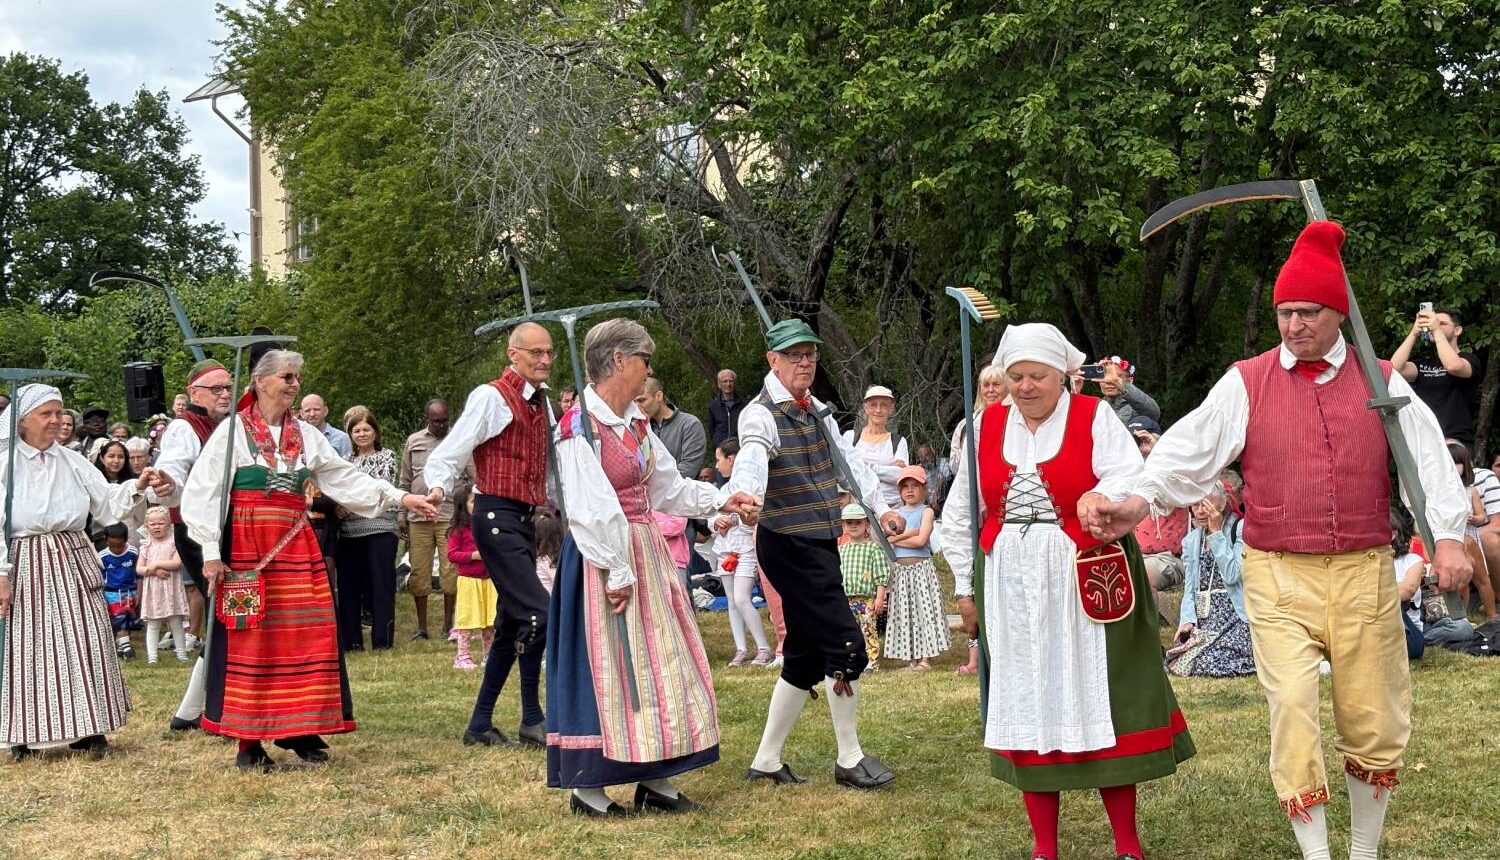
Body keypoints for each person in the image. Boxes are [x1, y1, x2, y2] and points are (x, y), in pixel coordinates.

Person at [1086, 221, 1470, 860]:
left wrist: (1450, 538)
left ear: (1338, 313)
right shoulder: (1249, 380)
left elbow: (1427, 463)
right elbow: (1187, 451)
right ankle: (1316, 855)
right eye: (1285, 312)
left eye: (1308, 312)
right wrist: (1138, 501)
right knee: (1292, 709)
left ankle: (1364, 853)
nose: (1294, 325)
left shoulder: (1382, 380)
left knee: (1373, 718)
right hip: (1277, 573)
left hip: (1364, 571)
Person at [947, 322, 1193, 860]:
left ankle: (1127, 845)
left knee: (1101, 692)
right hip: (1012, 580)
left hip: (1084, 570)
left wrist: (1100, 496)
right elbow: (962, 511)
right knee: (1028, 696)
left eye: (1036, 376)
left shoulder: (1093, 416)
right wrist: (966, 587)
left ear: (1062, 375)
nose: (1025, 386)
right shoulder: (986, 425)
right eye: (1016, 376)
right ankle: (1044, 848)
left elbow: (1128, 474)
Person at [180, 349, 436, 770]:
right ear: (260, 381)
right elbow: (204, 493)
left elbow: (342, 476)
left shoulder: (305, 434)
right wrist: (210, 552)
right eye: (287, 377)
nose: (295, 384)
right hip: (249, 548)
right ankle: (248, 742)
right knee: (253, 641)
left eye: (297, 378)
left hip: (296, 545)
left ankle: (297, 726)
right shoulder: (232, 432)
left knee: (309, 632)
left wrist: (399, 497)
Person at [547, 318, 761, 815]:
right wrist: (617, 570)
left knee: (661, 660)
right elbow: (588, 507)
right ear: (619, 360)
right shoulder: (579, 427)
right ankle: (588, 788)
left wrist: (723, 500)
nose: (649, 370)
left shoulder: (635, 422)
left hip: (646, 549)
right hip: (602, 555)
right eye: (645, 360)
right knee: (611, 664)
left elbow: (668, 487)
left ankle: (655, 778)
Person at [726, 318, 902, 791]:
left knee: (804, 657)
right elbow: (753, 456)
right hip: (787, 542)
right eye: (794, 355)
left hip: (819, 541)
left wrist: (882, 508)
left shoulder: (818, 410)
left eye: (810, 354)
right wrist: (747, 492)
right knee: (846, 644)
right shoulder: (760, 415)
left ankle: (766, 760)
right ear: (773, 360)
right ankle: (849, 757)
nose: (805, 362)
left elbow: (850, 464)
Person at [1, 385, 172, 759]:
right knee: (29, 645)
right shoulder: (5, 463)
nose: (56, 420)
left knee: (85, 639)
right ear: (23, 421)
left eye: (59, 413)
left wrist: (138, 485)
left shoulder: (71, 460)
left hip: (73, 554)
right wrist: (1, 572)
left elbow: (107, 502)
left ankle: (89, 728)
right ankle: (24, 734)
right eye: (46, 414)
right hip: (25, 559)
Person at [423, 321, 555, 749]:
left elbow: (551, 467)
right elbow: (453, 448)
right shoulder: (492, 396)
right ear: (513, 354)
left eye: (548, 352)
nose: (545, 360)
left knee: (514, 620)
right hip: (495, 515)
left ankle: (480, 724)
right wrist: (438, 485)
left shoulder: (543, 403)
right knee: (538, 614)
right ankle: (533, 717)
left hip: (524, 517)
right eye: (535, 352)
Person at [149, 358, 234, 731]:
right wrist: (168, 481)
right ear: (194, 392)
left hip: (223, 528)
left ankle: (192, 711)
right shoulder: (184, 427)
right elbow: (174, 465)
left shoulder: (226, 425)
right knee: (226, 615)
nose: (224, 394)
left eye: (228, 387)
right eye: (216, 389)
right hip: (196, 531)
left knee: (227, 616)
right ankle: (204, 709)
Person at [947, 364, 1008, 677]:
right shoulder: (971, 425)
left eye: (998, 384)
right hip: (987, 529)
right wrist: (963, 592)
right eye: (987, 384)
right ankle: (978, 658)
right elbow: (962, 476)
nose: (991, 390)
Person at [1166, 484, 1254, 678]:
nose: (1199, 511)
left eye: (1205, 505)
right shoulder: (1191, 540)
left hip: (1234, 617)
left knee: (1212, 663)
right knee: (1183, 663)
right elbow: (1190, 587)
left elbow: (1231, 575)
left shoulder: (1239, 529)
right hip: (1205, 618)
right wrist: (1187, 620)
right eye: (1195, 505)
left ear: (1221, 504)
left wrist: (1216, 535)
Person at [399, 398, 469, 641]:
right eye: (436, 421)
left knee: (450, 569)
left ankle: (448, 625)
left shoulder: (459, 441)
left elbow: (472, 478)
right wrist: (401, 514)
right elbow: (404, 481)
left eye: (445, 420)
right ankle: (422, 627)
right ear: (427, 419)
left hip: (449, 516)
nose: (441, 425)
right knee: (419, 570)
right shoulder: (414, 441)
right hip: (418, 516)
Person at [335, 407, 401, 651]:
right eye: (356, 430)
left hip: (380, 529)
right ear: (350, 434)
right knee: (349, 587)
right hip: (349, 531)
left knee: (381, 585)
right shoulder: (344, 461)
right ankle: (352, 641)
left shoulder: (387, 456)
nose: (362, 434)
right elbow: (338, 489)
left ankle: (382, 641)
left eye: (366, 429)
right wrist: (340, 504)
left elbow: (380, 489)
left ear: (375, 432)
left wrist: (350, 503)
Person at [712, 438, 772, 667]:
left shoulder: (754, 489)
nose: (716, 465)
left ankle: (763, 647)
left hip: (745, 548)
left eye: (719, 459)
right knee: (732, 601)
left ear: (731, 459)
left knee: (741, 597)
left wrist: (735, 520)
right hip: (725, 549)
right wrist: (717, 522)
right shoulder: (723, 490)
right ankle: (741, 648)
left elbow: (755, 519)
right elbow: (711, 517)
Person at [883, 466, 948, 670]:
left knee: (924, 611)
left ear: (924, 489)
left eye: (915, 486)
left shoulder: (926, 511)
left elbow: (921, 540)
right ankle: (911, 657)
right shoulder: (896, 514)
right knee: (905, 612)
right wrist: (906, 534)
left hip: (921, 569)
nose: (910, 490)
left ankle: (925, 659)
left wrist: (896, 539)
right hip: (901, 572)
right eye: (905, 487)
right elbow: (887, 541)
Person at [1390, 306, 1482, 448]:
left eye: (1441, 323)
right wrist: (1414, 333)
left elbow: (1453, 366)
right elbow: (1394, 369)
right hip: (1425, 442)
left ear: (1457, 330)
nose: (1434, 326)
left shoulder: (1469, 359)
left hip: (1455, 442)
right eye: (1434, 322)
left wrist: (1436, 330)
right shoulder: (1423, 364)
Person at [1447, 440, 1496, 625]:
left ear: (1465, 466)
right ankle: (1463, 617)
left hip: (1471, 537)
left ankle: (1492, 615)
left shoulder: (1471, 490)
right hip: (1453, 538)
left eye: (1457, 463)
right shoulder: (1442, 492)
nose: (1454, 467)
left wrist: (1475, 519)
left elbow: (1483, 516)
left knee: (1481, 578)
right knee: (1461, 581)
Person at [447, 486, 496, 671]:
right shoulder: (458, 530)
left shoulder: (488, 526)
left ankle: (489, 655)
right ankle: (462, 656)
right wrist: (473, 556)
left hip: (488, 580)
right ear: (463, 505)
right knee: (466, 619)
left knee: (490, 620)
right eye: (473, 501)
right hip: (469, 581)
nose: (478, 504)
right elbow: (452, 555)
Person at [138, 506, 191, 664]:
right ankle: (152, 656)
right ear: (147, 526)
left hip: (171, 588)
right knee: (153, 623)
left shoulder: (174, 543)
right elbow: (139, 568)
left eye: (160, 523)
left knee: (176, 622)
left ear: (168, 524)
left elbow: (176, 563)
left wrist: (155, 565)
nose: (157, 527)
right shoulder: (146, 545)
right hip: (154, 590)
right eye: (153, 524)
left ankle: (181, 653)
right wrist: (153, 571)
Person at [841, 385, 908, 508]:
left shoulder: (898, 441)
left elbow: (901, 475)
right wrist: (887, 469)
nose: (878, 410)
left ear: (891, 408)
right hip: (859, 510)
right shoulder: (850, 437)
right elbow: (846, 472)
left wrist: (864, 466)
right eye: (873, 405)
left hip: (892, 507)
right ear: (865, 408)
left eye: (884, 405)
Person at [839, 504, 888, 670]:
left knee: (868, 630)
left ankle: (871, 662)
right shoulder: (841, 550)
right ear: (843, 525)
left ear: (866, 524)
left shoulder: (873, 548)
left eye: (858, 522)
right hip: (846, 599)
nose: (854, 526)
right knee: (849, 631)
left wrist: (879, 598)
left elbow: (881, 575)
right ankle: (853, 659)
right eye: (849, 522)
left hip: (866, 599)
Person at [636, 377, 708, 479]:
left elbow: (688, 469)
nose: (637, 406)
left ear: (658, 396)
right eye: (635, 402)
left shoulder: (689, 424)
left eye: (641, 400)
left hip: (681, 488)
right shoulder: (640, 428)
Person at [99, 523, 141, 659]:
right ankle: (127, 649)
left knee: (128, 620)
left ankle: (121, 645)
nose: (116, 550)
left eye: (120, 546)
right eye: (113, 547)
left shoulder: (133, 553)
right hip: (112, 593)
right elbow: (100, 578)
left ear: (126, 540)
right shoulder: (102, 556)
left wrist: (139, 593)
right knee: (120, 618)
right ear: (106, 541)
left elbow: (139, 574)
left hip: (130, 591)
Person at [1093, 356, 1160, 427]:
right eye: (1104, 376)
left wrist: (1120, 384)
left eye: (1117, 377)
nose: (1109, 381)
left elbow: (1153, 412)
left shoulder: (1138, 407)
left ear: (1130, 380)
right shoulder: (1096, 407)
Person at [299, 393, 352, 457]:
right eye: (307, 411)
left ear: (325, 411)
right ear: (302, 414)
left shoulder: (342, 439)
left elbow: (349, 463)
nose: (312, 414)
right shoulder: (296, 439)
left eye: (316, 409)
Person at [708, 368, 747, 449]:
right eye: (725, 381)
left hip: (740, 448)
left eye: (731, 381)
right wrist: (716, 443)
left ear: (734, 383)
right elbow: (712, 429)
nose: (728, 384)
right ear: (719, 384)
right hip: (721, 449)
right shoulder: (714, 406)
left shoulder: (744, 404)